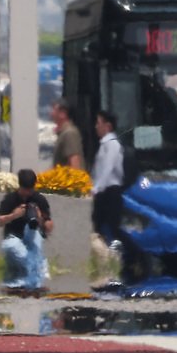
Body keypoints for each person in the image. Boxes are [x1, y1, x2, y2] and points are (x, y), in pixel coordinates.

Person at [0, 169, 53, 292]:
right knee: (11, 246)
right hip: (14, 237)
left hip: (32, 235)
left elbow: (49, 227)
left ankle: (29, 283)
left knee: (35, 238)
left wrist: (40, 218)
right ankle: (37, 270)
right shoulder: (10, 199)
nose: (27, 193)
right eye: (25, 189)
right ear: (19, 186)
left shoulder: (39, 199)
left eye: (30, 190)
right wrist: (13, 215)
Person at [90, 110, 125, 247]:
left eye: (99, 123)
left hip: (110, 191)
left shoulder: (112, 144)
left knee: (112, 227)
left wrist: (96, 188)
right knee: (98, 226)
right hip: (103, 191)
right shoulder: (104, 144)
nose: (96, 126)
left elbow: (107, 168)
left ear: (108, 126)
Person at [49, 99, 84, 170]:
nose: (51, 113)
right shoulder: (64, 133)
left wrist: (74, 180)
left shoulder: (69, 133)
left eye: (53, 110)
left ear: (63, 114)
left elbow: (75, 162)